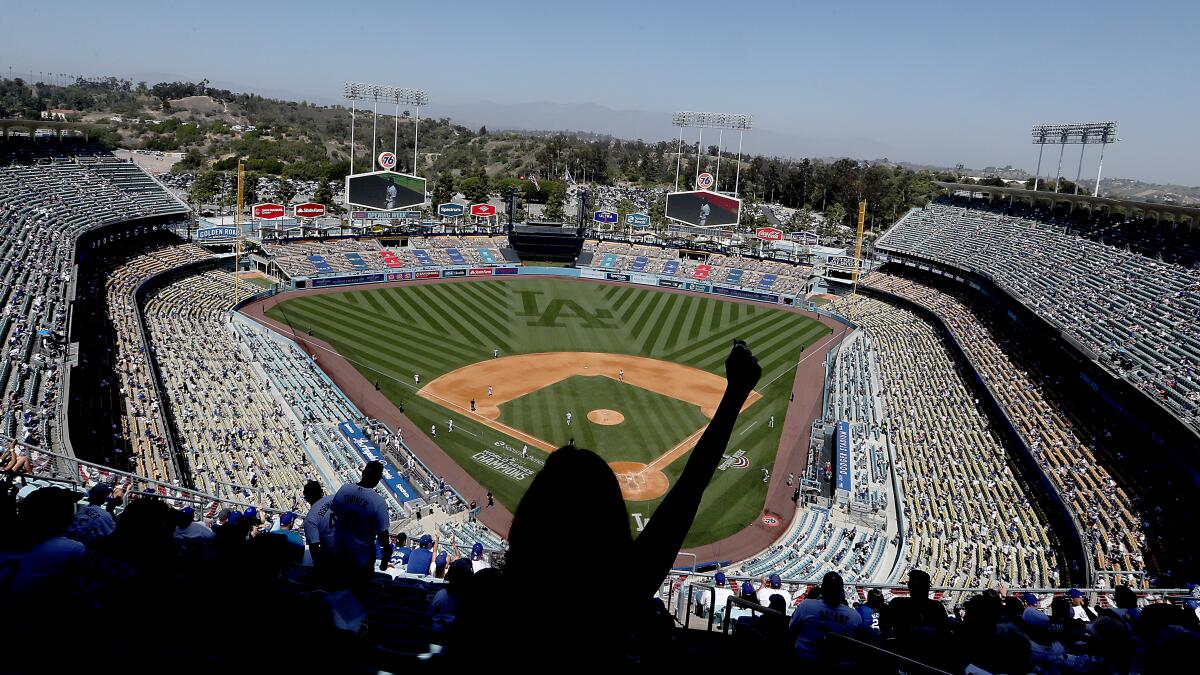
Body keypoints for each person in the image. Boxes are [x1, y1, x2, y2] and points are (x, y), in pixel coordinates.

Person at [452, 340, 761, 665]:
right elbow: (690, 487)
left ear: (531, 516)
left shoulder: (487, 594)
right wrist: (735, 393)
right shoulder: (621, 593)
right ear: (611, 519)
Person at [330, 461, 392, 585]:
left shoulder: (344, 489)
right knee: (360, 593)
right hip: (362, 557)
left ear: (363, 473)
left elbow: (334, 514)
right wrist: (386, 553)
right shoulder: (378, 501)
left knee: (338, 587)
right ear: (378, 479)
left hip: (340, 551)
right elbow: (383, 534)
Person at [789, 571, 862, 664]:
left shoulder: (806, 605)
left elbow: (791, 630)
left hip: (805, 661)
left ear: (822, 589)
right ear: (842, 592)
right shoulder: (854, 616)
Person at [302, 480, 335, 569]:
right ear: (321, 492)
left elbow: (314, 548)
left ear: (307, 498)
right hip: (353, 544)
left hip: (334, 554)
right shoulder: (335, 498)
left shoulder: (310, 519)